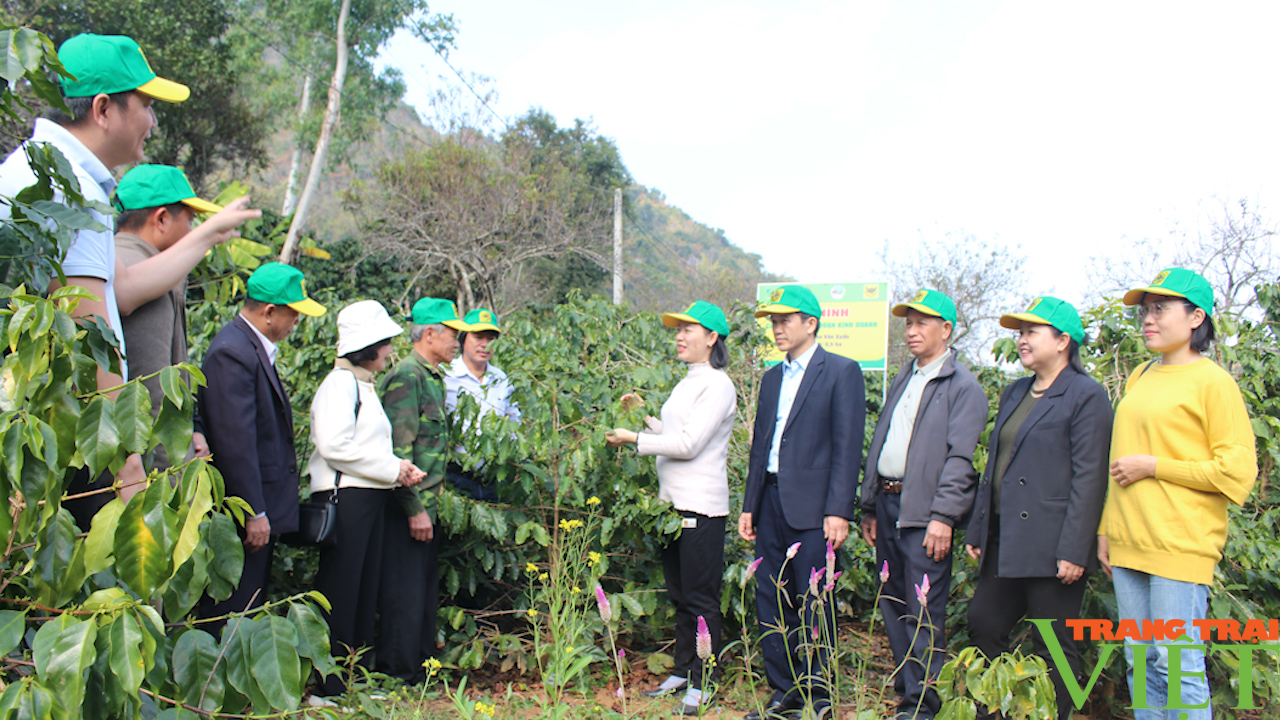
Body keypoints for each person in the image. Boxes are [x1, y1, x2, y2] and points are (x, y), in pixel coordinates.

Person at [0, 33, 258, 516]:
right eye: (145, 104)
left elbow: (121, 290)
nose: (153, 122)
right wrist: (127, 462)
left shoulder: (60, 175)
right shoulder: (64, 186)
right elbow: (88, 324)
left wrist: (207, 234)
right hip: (60, 439)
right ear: (103, 109)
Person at [1099, 269, 1257, 720]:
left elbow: (1237, 471)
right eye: (1145, 310)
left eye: (1160, 309)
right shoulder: (1140, 376)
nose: (1148, 319)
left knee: (1177, 666)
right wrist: (1106, 530)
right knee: (1140, 663)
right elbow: (1118, 461)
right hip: (1130, 541)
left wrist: (1155, 466)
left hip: (1179, 543)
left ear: (1195, 317)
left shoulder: (1213, 383)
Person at [964, 297, 1112, 720]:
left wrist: (1074, 549)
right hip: (1005, 540)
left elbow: (1090, 477)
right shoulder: (1016, 391)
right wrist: (978, 530)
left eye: (1031, 332)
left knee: (1053, 646)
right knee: (985, 624)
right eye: (1020, 332)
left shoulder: (1086, 395)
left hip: (1053, 547)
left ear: (1063, 340)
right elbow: (995, 467)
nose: (1021, 340)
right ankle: (999, 712)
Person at [858, 289, 987, 720]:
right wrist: (870, 505)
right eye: (908, 323)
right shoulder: (904, 377)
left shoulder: (962, 387)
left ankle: (924, 706)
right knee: (893, 603)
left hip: (925, 514)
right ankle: (907, 692)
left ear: (946, 329)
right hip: (890, 506)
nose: (911, 331)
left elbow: (960, 459)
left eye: (922, 323)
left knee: (923, 609)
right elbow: (884, 442)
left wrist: (944, 518)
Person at [738, 285, 865, 720]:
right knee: (770, 597)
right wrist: (749, 504)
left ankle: (820, 693)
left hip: (814, 509)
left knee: (813, 598)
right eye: (773, 321)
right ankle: (783, 694)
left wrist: (839, 510)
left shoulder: (841, 371)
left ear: (811, 324)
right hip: (770, 502)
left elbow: (847, 448)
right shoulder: (773, 377)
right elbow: (761, 445)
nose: (777, 328)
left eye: (785, 320)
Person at [606, 301, 737, 716]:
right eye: (677, 330)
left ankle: (703, 680)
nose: (680, 336)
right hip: (672, 507)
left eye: (689, 330)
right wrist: (644, 417)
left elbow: (688, 446)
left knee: (701, 597)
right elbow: (675, 433)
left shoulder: (717, 385)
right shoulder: (689, 381)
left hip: (700, 507)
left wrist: (633, 440)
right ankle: (684, 669)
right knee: (681, 594)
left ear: (712, 338)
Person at [310, 300, 426, 699]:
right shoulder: (338, 385)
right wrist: (392, 469)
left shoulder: (363, 386)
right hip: (347, 499)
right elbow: (334, 446)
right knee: (342, 592)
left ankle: (353, 680)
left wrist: (398, 468)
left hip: (369, 498)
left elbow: (368, 446)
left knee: (363, 592)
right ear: (369, 345)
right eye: (386, 343)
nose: (391, 351)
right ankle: (329, 685)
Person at [198, 263, 325, 621]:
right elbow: (234, 441)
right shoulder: (233, 351)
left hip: (260, 505)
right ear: (270, 312)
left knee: (250, 603)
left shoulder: (251, 347)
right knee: (235, 606)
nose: (296, 322)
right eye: (293, 313)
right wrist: (252, 510)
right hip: (245, 510)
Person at [377, 298, 467, 684]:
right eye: (453, 334)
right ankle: (398, 672)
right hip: (410, 508)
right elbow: (399, 450)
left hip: (429, 506)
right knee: (405, 591)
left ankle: (420, 666)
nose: (458, 343)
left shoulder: (430, 376)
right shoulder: (407, 377)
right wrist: (414, 508)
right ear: (429, 334)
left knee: (422, 589)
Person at [114, 164, 224, 470]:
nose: (191, 231)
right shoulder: (147, 279)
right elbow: (153, 391)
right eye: (189, 220)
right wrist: (171, 476)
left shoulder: (120, 262)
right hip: (145, 476)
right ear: (162, 218)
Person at [444, 307, 520, 500]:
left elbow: (513, 420)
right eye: (478, 337)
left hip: (494, 475)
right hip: (455, 474)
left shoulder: (501, 378)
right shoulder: (446, 376)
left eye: (491, 339)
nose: (485, 345)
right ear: (463, 339)